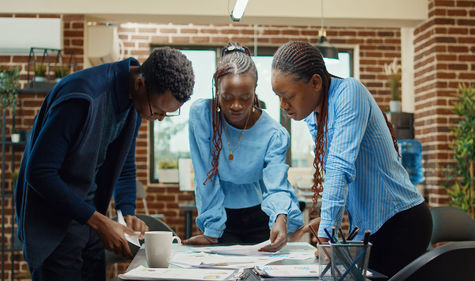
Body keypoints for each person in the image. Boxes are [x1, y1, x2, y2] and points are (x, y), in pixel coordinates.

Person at [14, 47, 195, 281]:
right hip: (53, 227)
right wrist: (100, 222)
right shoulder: (81, 97)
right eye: (158, 111)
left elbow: (125, 165)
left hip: (87, 221)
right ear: (141, 83)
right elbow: (39, 173)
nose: (158, 119)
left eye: (166, 114)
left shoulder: (135, 100)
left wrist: (126, 212)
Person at [271, 41, 432, 278]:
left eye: (289, 96)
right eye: (279, 97)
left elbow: (339, 167)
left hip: (401, 222)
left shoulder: (350, 92)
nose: (284, 105)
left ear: (316, 82)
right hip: (370, 229)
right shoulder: (315, 115)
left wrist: (326, 234)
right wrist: (326, 225)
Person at [184, 43, 303, 252]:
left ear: (255, 92)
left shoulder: (273, 134)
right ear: (216, 90)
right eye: (227, 97)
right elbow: (206, 176)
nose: (236, 106)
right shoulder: (203, 116)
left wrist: (280, 218)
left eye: (245, 98)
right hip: (220, 217)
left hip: (260, 216)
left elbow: (275, 184)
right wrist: (212, 230)